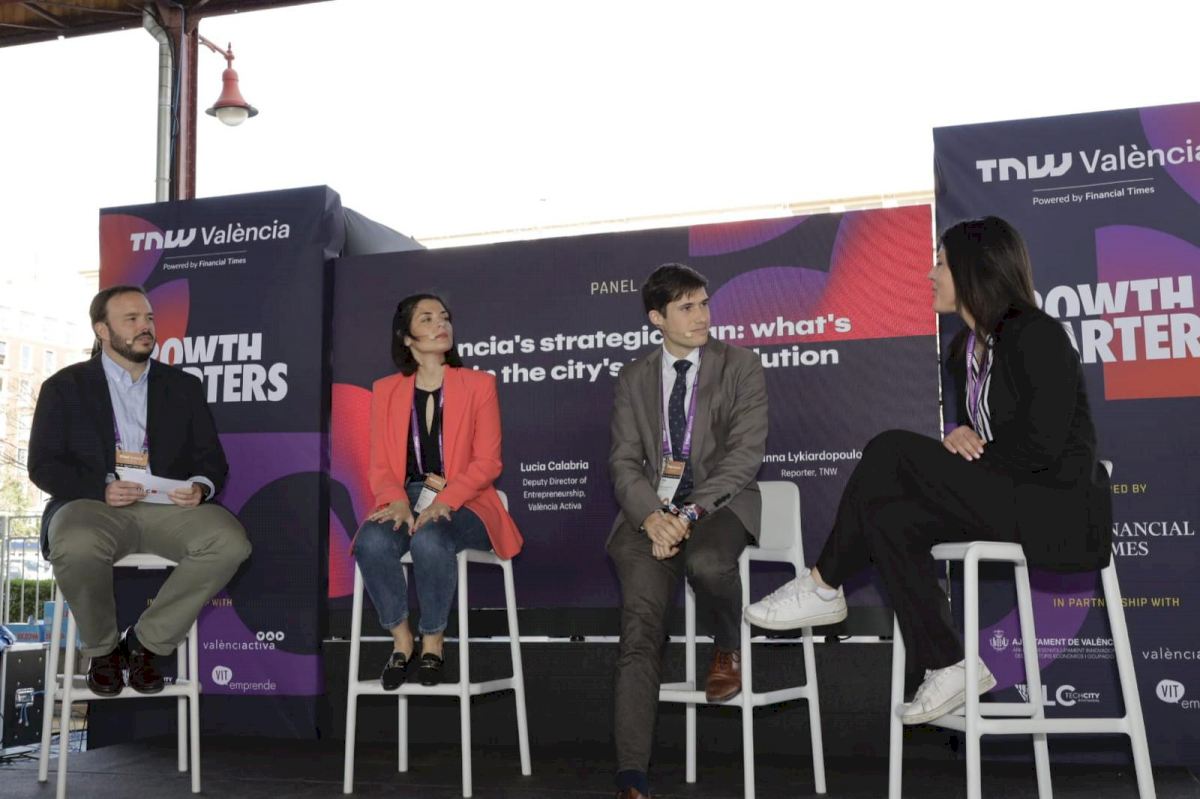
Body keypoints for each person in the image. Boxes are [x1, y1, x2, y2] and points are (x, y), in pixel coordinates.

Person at [745, 215, 1112, 724]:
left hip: (1052, 507)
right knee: (889, 518)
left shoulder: (1037, 335)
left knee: (890, 449)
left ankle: (823, 583)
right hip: (1003, 496)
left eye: (940, 262)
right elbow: (985, 432)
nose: (929, 274)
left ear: (975, 269)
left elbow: (1042, 445)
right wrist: (959, 435)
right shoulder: (964, 350)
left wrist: (974, 450)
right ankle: (948, 662)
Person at [28, 285, 251, 696]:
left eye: (148, 318)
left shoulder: (182, 386)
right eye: (131, 319)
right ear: (102, 330)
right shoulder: (65, 387)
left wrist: (199, 487)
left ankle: (145, 645)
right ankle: (103, 651)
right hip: (93, 504)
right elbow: (43, 466)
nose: (145, 327)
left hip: (167, 507)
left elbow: (212, 461)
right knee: (75, 543)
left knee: (228, 542)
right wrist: (101, 488)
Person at [607, 263, 768, 799]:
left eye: (704, 303)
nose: (702, 316)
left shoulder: (740, 365)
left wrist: (688, 514)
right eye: (687, 307)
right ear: (657, 318)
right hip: (651, 515)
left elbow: (744, 456)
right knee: (640, 630)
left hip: (719, 507)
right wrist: (652, 516)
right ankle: (631, 776)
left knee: (707, 563)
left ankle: (726, 645)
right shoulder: (634, 377)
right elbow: (623, 461)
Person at [353, 293, 523, 689]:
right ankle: (402, 641)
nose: (440, 324)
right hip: (405, 496)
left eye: (444, 317)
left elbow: (488, 463)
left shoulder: (478, 384)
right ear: (406, 336)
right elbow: (379, 464)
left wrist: (444, 501)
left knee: (430, 538)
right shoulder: (386, 390)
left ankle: (433, 642)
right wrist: (398, 500)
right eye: (427, 319)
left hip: (467, 499)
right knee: (371, 542)